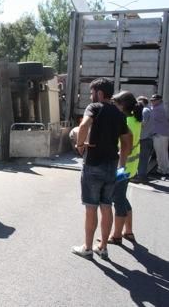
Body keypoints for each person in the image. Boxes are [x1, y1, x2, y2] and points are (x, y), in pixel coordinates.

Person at [72, 78, 131, 260]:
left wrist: (80, 145)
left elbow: (83, 125)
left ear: (99, 93)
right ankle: (103, 247)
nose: (91, 96)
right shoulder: (119, 113)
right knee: (106, 207)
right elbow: (128, 138)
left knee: (91, 208)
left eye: (92, 93)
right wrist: (122, 159)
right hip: (111, 166)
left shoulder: (94, 108)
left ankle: (88, 247)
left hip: (93, 164)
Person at [106, 91, 143, 245]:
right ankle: (128, 232)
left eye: (115, 104)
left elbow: (123, 148)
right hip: (131, 166)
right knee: (122, 197)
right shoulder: (135, 119)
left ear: (122, 106)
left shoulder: (125, 123)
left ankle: (116, 236)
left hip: (123, 166)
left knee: (118, 199)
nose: (114, 107)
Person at [135, 96, 154, 182]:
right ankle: (141, 176)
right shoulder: (150, 110)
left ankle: (140, 177)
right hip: (148, 138)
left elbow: (142, 123)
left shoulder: (145, 111)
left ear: (142, 102)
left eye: (139, 102)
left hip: (144, 138)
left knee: (142, 159)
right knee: (144, 158)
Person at [149, 94, 169, 176]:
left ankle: (164, 170)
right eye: (152, 100)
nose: (152, 101)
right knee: (160, 152)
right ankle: (162, 169)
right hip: (160, 133)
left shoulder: (159, 109)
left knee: (162, 153)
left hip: (161, 134)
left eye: (154, 100)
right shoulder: (157, 108)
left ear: (160, 100)